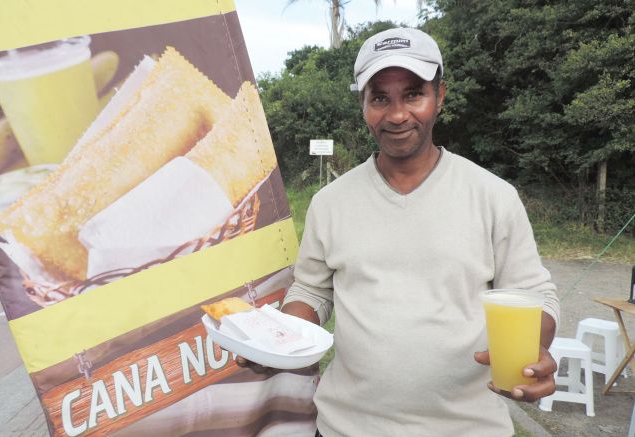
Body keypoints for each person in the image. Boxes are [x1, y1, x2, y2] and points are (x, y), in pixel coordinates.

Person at [240, 27, 560, 436]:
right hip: (346, 427)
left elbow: (534, 295)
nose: (396, 115)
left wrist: (530, 354)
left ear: (440, 95)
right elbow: (313, 291)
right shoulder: (330, 202)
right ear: (363, 103)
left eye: (413, 94)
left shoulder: (493, 196)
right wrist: (276, 339)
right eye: (379, 98)